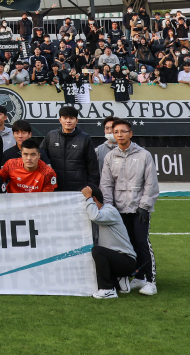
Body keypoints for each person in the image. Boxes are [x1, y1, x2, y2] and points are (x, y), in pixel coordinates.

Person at [99, 119, 159, 295]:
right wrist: (109, 208)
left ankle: (151, 281)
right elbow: (106, 184)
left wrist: (144, 206)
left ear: (130, 133)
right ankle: (138, 277)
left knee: (142, 243)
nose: (119, 135)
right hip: (119, 210)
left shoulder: (144, 155)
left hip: (139, 209)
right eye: (116, 132)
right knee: (128, 244)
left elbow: (151, 183)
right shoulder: (110, 157)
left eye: (123, 131)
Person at [83, 186, 140, 299]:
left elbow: (96, 216)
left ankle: (108, 290)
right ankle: (120, 279)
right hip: (115, 260)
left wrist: (88, 197)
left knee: (97, 251)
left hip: (126, 261)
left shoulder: (109, 210)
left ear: (94, 199)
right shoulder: (95, 214)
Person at [41, 105, 99, 192]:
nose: (68, 121)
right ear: (60, 120)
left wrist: (92, 187)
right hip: (55, 187)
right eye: (65, 118)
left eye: (71, 118)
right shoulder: (51, 136)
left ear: (76, 120)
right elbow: (41, 157)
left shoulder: (85, 138)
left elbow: (93, 166)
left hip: (79, 189)